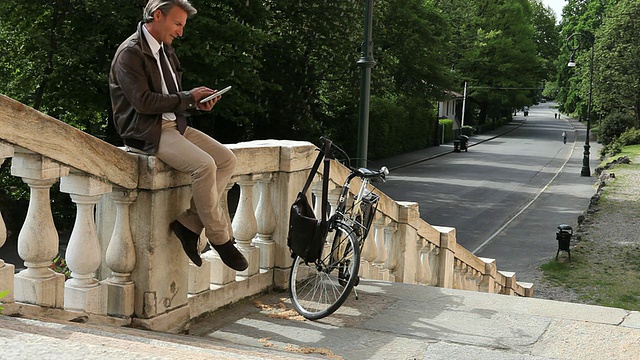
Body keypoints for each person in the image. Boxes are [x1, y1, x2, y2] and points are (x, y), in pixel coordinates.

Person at [109, 0, 248, 271]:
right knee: (204, 165)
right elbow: (144, 103)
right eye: (177, 24)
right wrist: (187, 98)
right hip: (146, 130)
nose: (180, 32)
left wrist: (196, 103)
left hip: (175, 125)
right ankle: (221, 240)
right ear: (157, 16)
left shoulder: (166, 51)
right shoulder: (129, 53)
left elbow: (171, 99)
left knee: (226, 160)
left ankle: (190, 224)